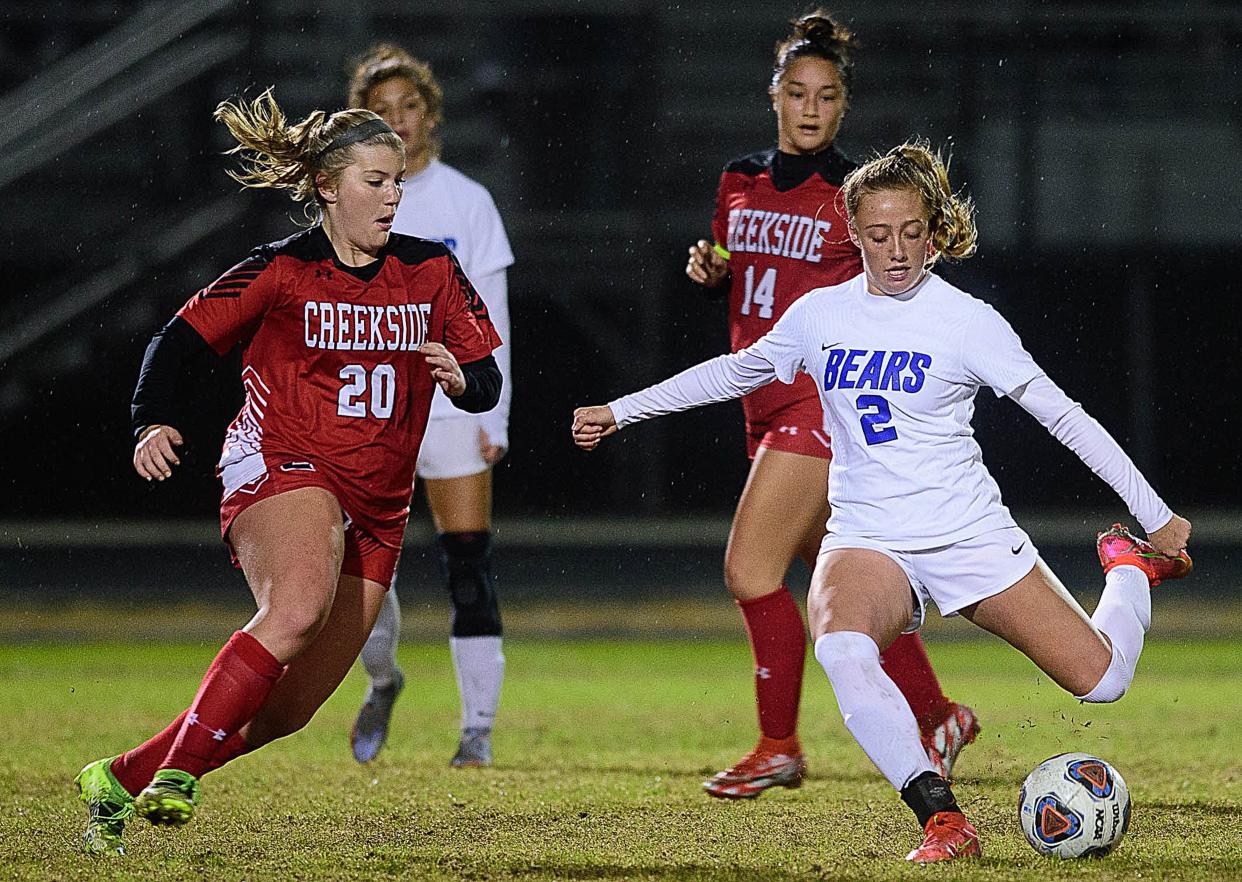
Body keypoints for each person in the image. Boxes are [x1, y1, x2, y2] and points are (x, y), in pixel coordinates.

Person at [572, 140, 1192, 862]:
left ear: (933, 235)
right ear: (854, 234)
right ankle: (943, 820)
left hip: (965, 533)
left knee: (1104, 682)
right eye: (877, 234)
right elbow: (735, 373)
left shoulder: (968, 322)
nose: (895, 250)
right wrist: (622, 410)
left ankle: (1126, 569)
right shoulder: (820, 314)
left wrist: (1154, 515)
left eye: (909, 233)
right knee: (839, 643)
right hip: (869, 535)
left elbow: (1065, 416)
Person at [73, 88, 502, 856]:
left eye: (398, 180)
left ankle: (121, 777)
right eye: (374, 180)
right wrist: (152, 418)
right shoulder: (278, 270)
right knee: (296, 607)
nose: (392, 195)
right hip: (280, 461)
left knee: (290, 709)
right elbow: (175, 342)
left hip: (380, 502)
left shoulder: (432, 269)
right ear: (327, 186)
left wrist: (465, 380)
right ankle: (179, 776)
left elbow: (487, 375)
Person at [681, 9, 975, 799]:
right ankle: (940, 714)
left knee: (748, 571)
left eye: (828, 95)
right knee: (827, 576)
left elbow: (900, 277)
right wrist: (713, 270)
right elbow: (735, 262)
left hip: (821, 404)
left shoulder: (851, 197)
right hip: (763, 400)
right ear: (773, 95)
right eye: (798, 91)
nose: (811, 108)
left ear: (844, 106)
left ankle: (779, 745)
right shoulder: (739, 179)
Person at [341, 44, 514, 768]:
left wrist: (492, 413)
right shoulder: (345, 200)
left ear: (431, 115)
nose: (401, 121)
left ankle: (477, 728)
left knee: (466, 564)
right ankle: (383, 679)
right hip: (369, 408)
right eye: (383, 111)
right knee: (356, 571)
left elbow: (493, 313)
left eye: (410, 107)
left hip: (449, 409)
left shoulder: (466, 201)